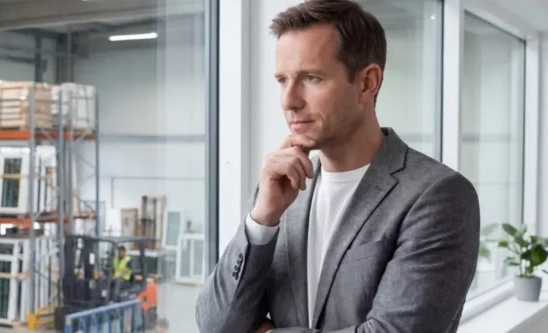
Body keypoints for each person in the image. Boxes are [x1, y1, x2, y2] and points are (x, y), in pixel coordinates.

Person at [195, 1, 481, 332]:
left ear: (367, 83)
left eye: (311, 78)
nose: (289, 100)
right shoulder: (279, 192)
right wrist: (261, 221)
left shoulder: (437, 195)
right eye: (282, 80)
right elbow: (216, 326)